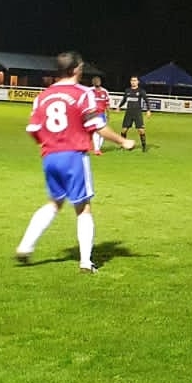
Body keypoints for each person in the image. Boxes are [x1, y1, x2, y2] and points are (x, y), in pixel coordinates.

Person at [15, 52, 135, 273]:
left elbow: (32, 129)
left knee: (54, 203)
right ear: (76, 69)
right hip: (74, 157)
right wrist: (122, 141)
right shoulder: (83, 93)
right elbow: (98, 126)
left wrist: (50, 143)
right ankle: (86, 262)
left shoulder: (43, 96)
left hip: (50, 157)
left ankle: (25, 246)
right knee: (83, 208)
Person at [120, 75, 151, 152]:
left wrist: (148, 110)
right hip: (128, 113)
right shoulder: (127, 90)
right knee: (124, 130)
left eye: (135, 80)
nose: (133, 82)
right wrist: (119, 106)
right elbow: (124, 100)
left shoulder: (141, 91)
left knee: (141, 130)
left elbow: (146, 100)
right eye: (132, 80)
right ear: (130, 82)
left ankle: (144, 146)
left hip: (137, 113)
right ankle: (123, 145)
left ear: (138, 82)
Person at [89, 76, 113, 155]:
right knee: (96, 131)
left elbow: (107, 104)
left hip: (102, 114)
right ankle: (96, 149)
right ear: (93, 82)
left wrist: (108, 114)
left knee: (102, 131)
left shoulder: (104, 91)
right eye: (95, 81)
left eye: (98, 81)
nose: (97, 82)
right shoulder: (89, 91)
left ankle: (98, 148)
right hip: (93, 114)